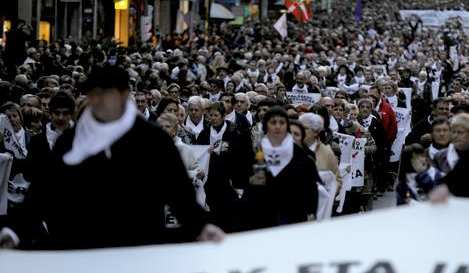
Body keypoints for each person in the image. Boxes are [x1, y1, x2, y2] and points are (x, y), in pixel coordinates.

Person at [0, 65, 223, 250]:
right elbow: (44, 190)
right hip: (82, 247)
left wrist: (201, 227)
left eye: (105, 94)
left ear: (124, 96)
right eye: (93, 94)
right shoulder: (71, 140)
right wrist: (15, 230)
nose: (97, 100)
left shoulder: (152, 139)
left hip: (139, 246)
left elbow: (178, 192)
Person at [242, 106, 319, 229]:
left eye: (282, 122)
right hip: (260, 212)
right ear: (266, 125)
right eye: (273, 122)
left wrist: (311, 212)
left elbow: (310, 185)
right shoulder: (255, 149)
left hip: (291, 213)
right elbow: (240, 175)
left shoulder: (299, 152)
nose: (278, 126)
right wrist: (250, 180)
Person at [195, 102, 253, 232]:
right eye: (211, 115)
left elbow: (243, 156)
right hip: (211, 180)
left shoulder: (234, 131)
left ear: (224, 115)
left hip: (230, 178)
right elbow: (198, 154)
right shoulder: (205, 133)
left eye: (216, 115)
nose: (213, 118)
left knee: (230, 213)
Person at [24, 91, 75, 183]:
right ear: (50, 113)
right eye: (57, 113)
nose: (60, 117)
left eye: (65, 113)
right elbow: (28, 174)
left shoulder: (80, 139)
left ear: (71, 114)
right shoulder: (37, 140)